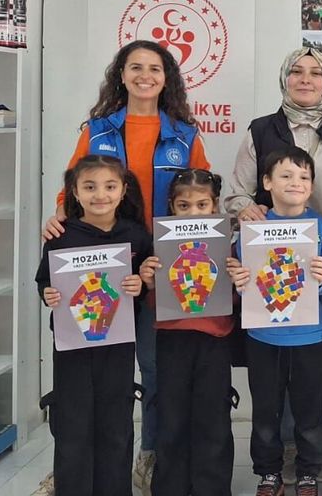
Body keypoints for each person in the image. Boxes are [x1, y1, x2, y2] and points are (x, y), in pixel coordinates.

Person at [41, 40, 211, 495]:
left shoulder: (185, 135)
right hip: (100, 266)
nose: (144, 76)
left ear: (166, 78)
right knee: (88, 374)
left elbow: (203, 200)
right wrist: (57, 218)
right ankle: (73, 468)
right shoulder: (96, 131)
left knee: (155, 370)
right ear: (121, 75)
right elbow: (70, 189)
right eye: (135, 67)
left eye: (154, 68)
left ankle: (148, 458)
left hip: (163, 268)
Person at [225, 47, 322, 484]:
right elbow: (237, 193)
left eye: (315, 73)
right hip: (274, 261)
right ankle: (283, 451)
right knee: (276, 368)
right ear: (284, 78)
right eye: (297, 72)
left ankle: (316, 449)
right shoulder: (260, 130)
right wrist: (246, 209)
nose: (306, 79)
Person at [35, 155, 148, 496]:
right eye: (90, 187)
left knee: (116, 423)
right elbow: (44, 281)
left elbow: (146, 281)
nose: (100, 195)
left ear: (123, 190)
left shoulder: (136, 235)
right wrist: (48, 293)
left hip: (117, 345)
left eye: (110, 186)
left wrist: (140, 285)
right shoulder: (61, 236)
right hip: (72, 348)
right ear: (75, 191)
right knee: (73, 422)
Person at [231, 147, 322, 496]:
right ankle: (268, 473)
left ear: (312, 186)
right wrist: (239, 280)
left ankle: (308, 472)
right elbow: (243, 278)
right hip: (264, 336)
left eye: (304, 177)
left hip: (310, 336)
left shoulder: (321, 227)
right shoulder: (252, 227)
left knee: (310, 411)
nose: (296, 182)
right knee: (265, 410)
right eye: (286, 175)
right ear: (266, 182)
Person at [138, 169, 238, 496]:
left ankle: (212, 488)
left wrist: (238, 279)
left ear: (215, 206)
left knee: (213, 416)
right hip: (172, 338)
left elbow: (236, 298)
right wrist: (149, 282)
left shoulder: (227, 246)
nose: (193, 213)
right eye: (184, 206)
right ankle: (171, 487)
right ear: (172, 206)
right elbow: (152, 301)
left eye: (202, 205)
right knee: (172, 415)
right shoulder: (159, 245)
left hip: (215, 338)